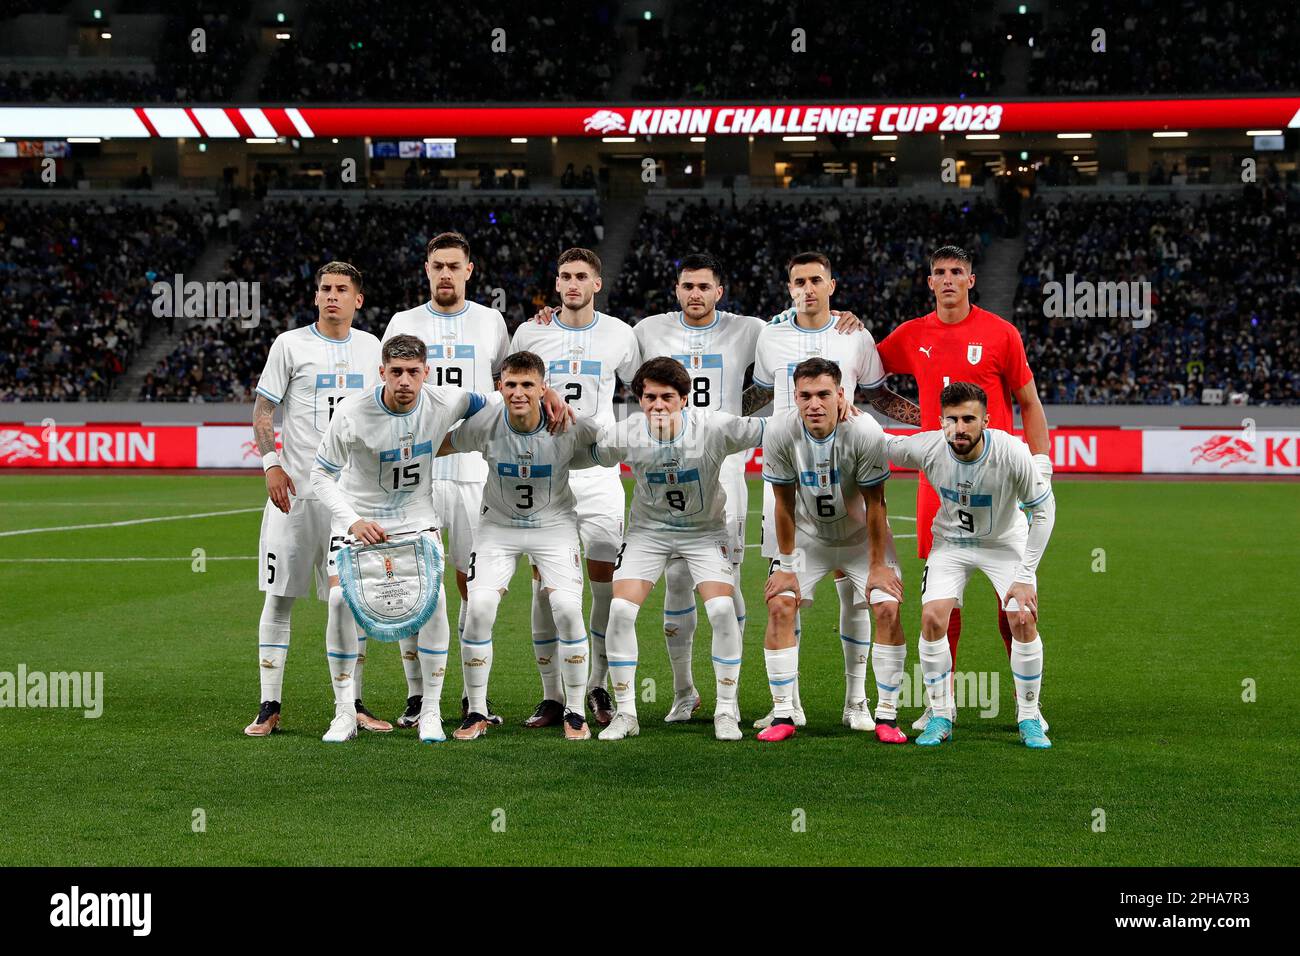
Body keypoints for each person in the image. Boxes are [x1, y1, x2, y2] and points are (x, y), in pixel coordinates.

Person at [875, 244, 1052, 732]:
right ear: (929, 281)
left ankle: (1028, 708)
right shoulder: (912, 335)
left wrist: (1042, 463)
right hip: (939, 479)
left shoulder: (1001, 334)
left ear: (971, 280)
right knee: (942, 603)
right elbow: (868, 377)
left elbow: (1029, 402)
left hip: (996, 478)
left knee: (1012, 607)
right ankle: (940, 706)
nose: (948, 279)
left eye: (957, 272)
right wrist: (918, 419)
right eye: (939, 273)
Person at [742, 250, 919, 729]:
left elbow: (879, 394)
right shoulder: (770, 334)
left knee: (855, 594)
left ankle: (857, 703)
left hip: (845, 471)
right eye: (798, 281)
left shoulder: (854, 334)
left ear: (832, 285)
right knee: (787, 590)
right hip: (790, 467)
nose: (807, 288)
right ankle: (788, 705)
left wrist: (932, 422)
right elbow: (759, 393)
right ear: (788, 287)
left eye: (816, 280)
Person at [308, 334, 493, 743]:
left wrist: (545, 395)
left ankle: (431, 711)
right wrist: (353, 520)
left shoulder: (447, 400)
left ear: (426, 373)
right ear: (382, 373)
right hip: (360, 521)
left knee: (436, 600)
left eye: (413, 372)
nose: (405, 381)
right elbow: (320, 475)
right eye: (396, 372)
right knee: (339, 601)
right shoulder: (353, 412)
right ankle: (344, 712)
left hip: (416, 519)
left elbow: (493, 402)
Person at [589, 357, 766, 742]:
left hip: (704, 532)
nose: (657, 405)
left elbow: (771, 428)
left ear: (685, 399)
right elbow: (590, 451)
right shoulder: (628, 433)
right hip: (648, 533)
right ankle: (626, 714)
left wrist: (835, 413)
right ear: (638, 399)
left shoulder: (715, 427)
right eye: (649, 397)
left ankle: (725, 710)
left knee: (722, 610)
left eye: (667, 397)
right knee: (620, 610)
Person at [244, 261, 384, 737]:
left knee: (349, 601)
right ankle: (269, 704)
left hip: (351, 499)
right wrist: (271, 464)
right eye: (325, 288)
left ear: (357, 299)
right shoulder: (290, 344)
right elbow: (264, 409)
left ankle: (353, 704)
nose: (331, 296)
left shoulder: (373, 348)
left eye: (342, 289)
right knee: (280, 596)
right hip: (297, 495)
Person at [435, 350, 601, 741]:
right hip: (498, 527)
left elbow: (611, 446)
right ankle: (476, 710)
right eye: (511, 384)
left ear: (544, 388)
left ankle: (575, 710)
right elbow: (441, 445)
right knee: (479, 608)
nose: (519, 392)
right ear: (500, 387)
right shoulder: (485, 423)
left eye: (528, 385)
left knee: (566, 609)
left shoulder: (569, 424)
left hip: (554, 526)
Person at [382, 232, 510, 729]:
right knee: (416, 585)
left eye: (454, 266)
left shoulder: (491, 321)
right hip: (418, 476)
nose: (445, 274)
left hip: (477, 472)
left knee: (474, 587)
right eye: (438, 266)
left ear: (469, 270)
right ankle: (418, 696)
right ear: (426, 269)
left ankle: (473, 698)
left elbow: (506, 385)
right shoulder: (404, 322)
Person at [886, 381, 1055, 749]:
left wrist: (1025, 577)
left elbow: (1044, 511)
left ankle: (1029, 716)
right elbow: (882, 445)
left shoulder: (1011, 452)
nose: (959, 428)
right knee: (932, 618)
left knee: (1022, 617)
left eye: (968, 418)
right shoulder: (930, 447)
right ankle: (941, 714)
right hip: (951, 544)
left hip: (1004, 543)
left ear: (985, 420)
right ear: (942, 420)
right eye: (951, 419)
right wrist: (848, 418)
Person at [511, 248, 640, 728]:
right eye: (564, 275)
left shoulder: (620, 335)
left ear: (596, 284)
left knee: (605, 587)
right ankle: (551, 696)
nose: (571, 284)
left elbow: (645, 388)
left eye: (580, 276)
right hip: (545, 475)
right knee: (546, 590)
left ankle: (597, 687)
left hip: (600, 472)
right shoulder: (531, 331)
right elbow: (511, 386)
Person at [757, 358, 908, 744]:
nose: (814, 404)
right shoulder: (779, 430)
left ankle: (887, 715)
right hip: (810, 538)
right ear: (795, 397)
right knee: (779, 603)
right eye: (805, 395)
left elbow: (877, 504)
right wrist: (787, 565)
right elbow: (783, 504)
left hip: (861, 541)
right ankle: (784, 713)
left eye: (824, 394)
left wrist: (877, 566)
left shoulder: (864, 431)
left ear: (841, 395)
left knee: (887, 606)